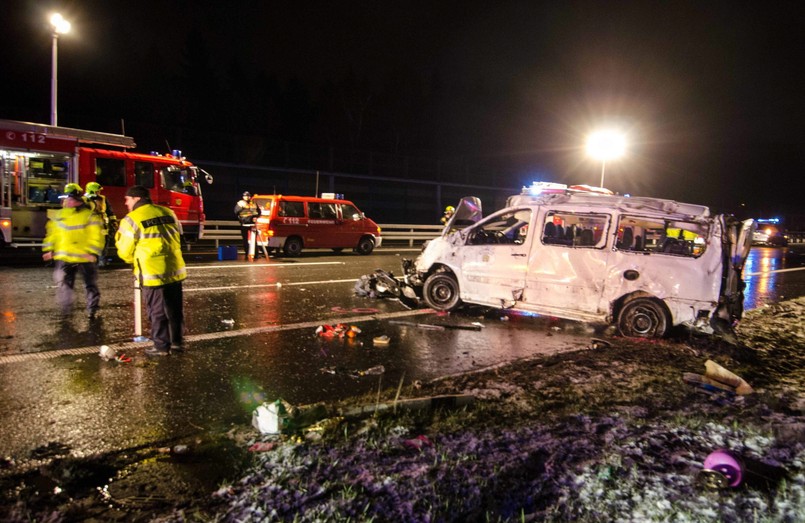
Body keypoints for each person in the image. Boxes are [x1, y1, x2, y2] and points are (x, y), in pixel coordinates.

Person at [115, 185, 186, 356]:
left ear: (136, 199)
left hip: (152, 272)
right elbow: (180, 236)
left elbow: (124, 251)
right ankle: (177, 343)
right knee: (175, 309)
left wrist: (133, 260)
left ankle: (161, 347)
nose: (126, 203)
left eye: (127, 199)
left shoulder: (132, 219)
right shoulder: (168, 212)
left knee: (157, 310)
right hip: (174, 268)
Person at [42, 183, 105, 319]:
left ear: (77, 202)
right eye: (66, 200)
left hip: (84, 257)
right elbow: (52, 234)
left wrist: (92, 253)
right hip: (64, 257)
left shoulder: (89, 216)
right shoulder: (60, 215)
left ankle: (92, 309)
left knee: (90, 285)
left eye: (69, 200)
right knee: (64, 285)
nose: (66, 202)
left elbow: (97, 237)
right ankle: (66, 310)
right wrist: (49, 249)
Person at [85, 182, 118, 265]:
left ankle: (101, 260)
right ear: (91, 191)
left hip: (102, 226)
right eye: (97, 191)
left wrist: (113, 221)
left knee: (104, 243)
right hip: (90, 227)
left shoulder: (103, 199)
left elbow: (109, 211)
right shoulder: (84, 200)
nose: (99, 192)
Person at [234, 191, 261, 257]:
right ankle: (247, 253)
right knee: (245, 240)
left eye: (248, 196)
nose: (247, 197)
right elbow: (236, 212)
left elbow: (259, 212)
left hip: (252, 224)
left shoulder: (254, 203)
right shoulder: (240, 203)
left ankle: (255, 254)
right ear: (243, 197)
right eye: (246, 196)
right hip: (244, 223)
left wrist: (255, 217)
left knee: (254, 240)